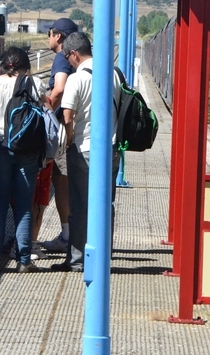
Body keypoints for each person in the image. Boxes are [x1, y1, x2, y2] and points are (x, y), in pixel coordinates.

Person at [51, 32, 121, 272]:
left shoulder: (76, 78)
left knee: (80, 206)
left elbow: (67, 115)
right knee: (105, 204)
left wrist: (68, 140)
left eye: (67, 57)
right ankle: (103, 259)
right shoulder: (114, 74)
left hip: (84, 149)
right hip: (111, 149)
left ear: (73, 54)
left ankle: (78, 260)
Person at [0, 47, 48, 273]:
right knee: (24, 205)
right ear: (25, 66)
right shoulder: (36, 84)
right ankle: (24, 259)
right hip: (28, 149)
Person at [39, 18, 79, 254]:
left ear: (59, 37)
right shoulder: (77, 58)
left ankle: (67, 236)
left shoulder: (60, 58)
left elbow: (60, 88)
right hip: (74, 126)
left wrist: (46, 111)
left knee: (61, 181)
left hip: (63, 127)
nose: (48, 38)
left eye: (50, 33)